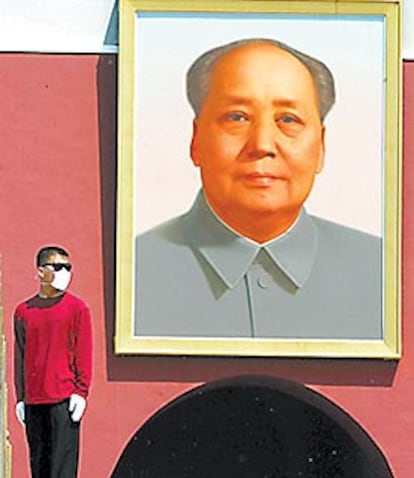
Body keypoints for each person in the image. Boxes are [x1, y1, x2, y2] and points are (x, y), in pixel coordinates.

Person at [135, 38, 382, 339]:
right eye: (237, 117)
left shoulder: (380, 272)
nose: (262, 145)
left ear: (321, 146)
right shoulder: (135, 269)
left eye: (288, 120)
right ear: (196, 139)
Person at [13, 246, 93, 478]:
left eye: (68, 267)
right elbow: (20, 356)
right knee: (39, 468)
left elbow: (84, 351)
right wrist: (21, 397)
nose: (65, 272)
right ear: (40, 272)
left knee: (63, 471)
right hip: (35, 401)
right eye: (58, 267)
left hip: (64, 401)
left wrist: (81, 391)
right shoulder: (24, 312)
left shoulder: (77, 309)